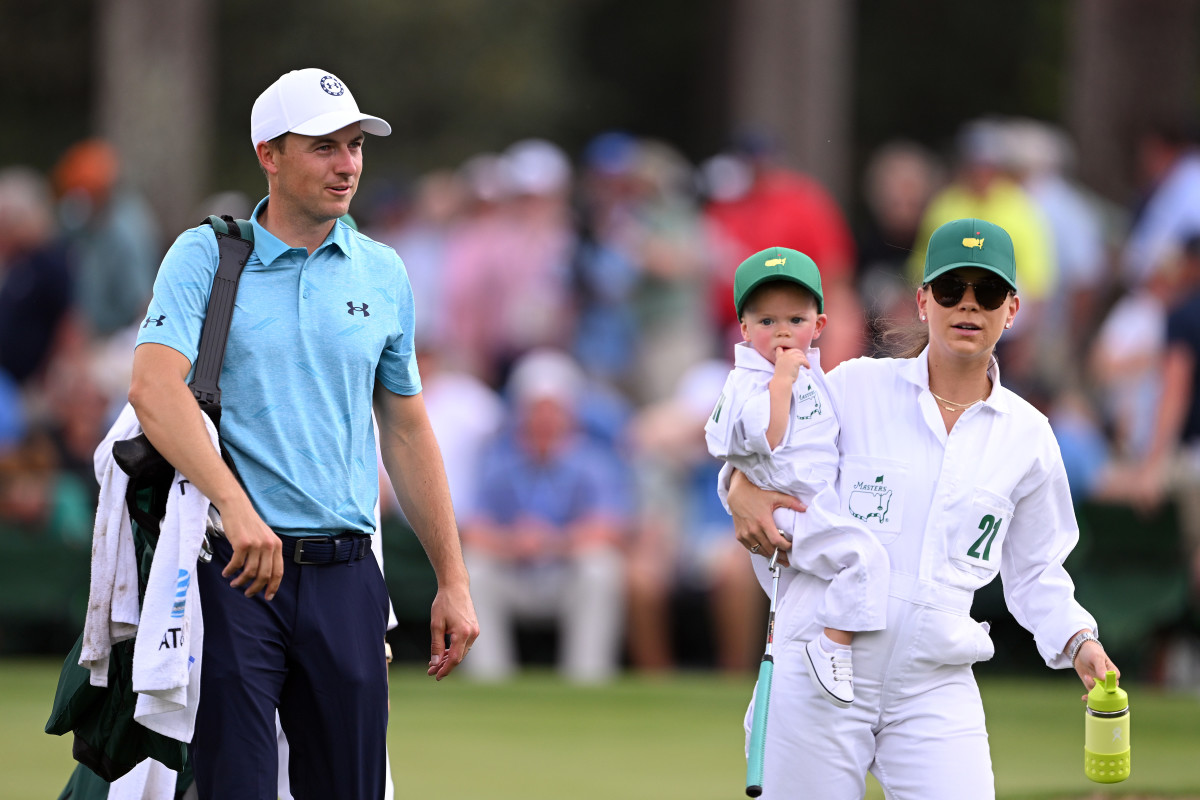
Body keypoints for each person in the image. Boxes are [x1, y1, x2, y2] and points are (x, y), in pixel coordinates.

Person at [127, 67, 478, 800]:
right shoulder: (206, 255)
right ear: (270, 154)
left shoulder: (383, 271)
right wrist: (236, 507)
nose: (346, 164)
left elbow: (408, 430)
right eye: (323, 147)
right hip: (234, 571)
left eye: (354, 145)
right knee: (239, 788)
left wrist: (453, 578)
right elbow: (154, 391)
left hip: (348, 575)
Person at [723, 218, 1119, 799]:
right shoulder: (856, 386)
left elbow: (1036, 571)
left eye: (986, 293)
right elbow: (772, 455)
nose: (967, 306)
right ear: (922, 299)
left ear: (1011, 309)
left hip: (934, 682)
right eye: (950, 289)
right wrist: (734, 486)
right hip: (816, 667)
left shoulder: (1029, 435)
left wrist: (1079, 639)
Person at [704, 247, 889, 706]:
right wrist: (780, 382)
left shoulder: (817, 375)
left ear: (818, 325)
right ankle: (832, 647)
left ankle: (820, 651)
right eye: (766, 322)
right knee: (863, 558)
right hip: (786, 512)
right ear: (744, 329)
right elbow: (764, 436)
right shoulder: (751, 380)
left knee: (822, 584)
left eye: (795, 320)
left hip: (812, 506)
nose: (782, 332)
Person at [460, 348, 630, 684]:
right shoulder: (498, 461)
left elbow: (612, 529)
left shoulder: (592, 462)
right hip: (514, 572)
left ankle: (587, 681)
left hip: (566, 574)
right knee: (474, 567)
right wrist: (513, 542)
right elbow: (472, 529)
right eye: (536, 411)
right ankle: (488, 682)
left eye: (553, 411)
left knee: (601, 567)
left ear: (570, 414)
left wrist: (553, 541)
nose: (544, 420)